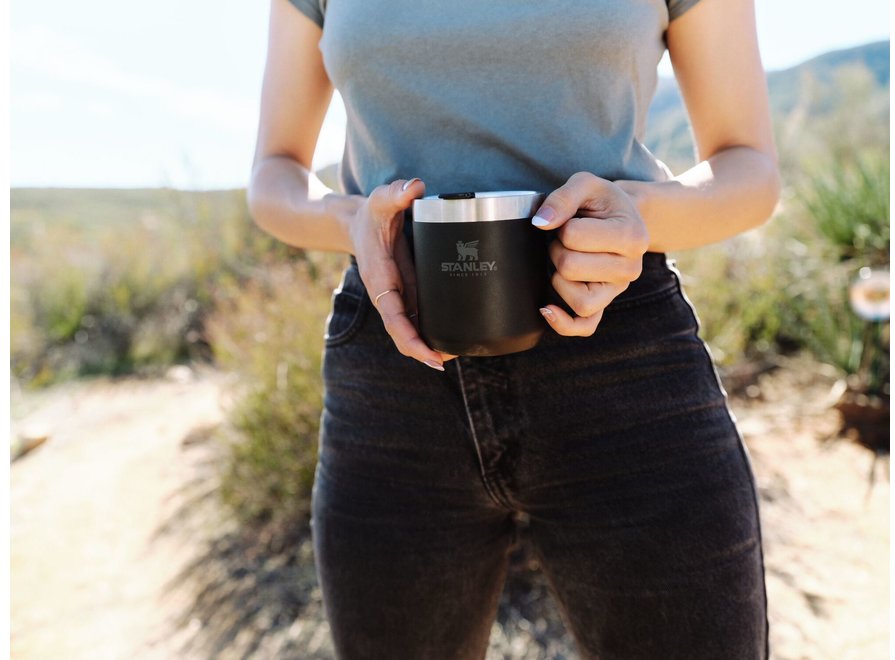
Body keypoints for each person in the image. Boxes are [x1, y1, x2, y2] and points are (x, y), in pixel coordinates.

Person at [248, 0, 780, 657]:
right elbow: (274, 172)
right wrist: (351, 222)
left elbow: (747, 166)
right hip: (394, 370)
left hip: (620, 359)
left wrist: (634, 213)